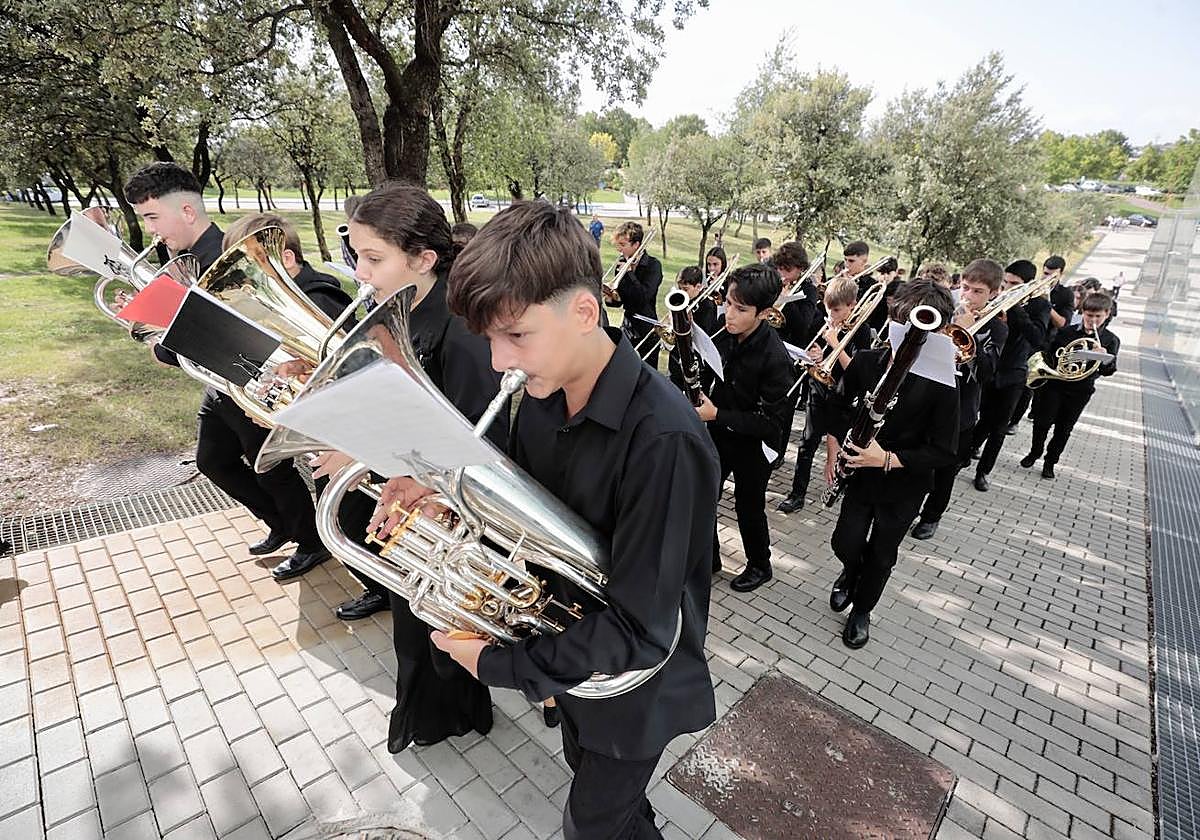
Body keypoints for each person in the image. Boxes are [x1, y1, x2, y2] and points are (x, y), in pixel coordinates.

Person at [439, 200, 721, 840]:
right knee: (613, 809)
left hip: (633, 689)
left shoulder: (664, 441)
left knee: (591, 825)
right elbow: (518, 514)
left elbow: (640, 630)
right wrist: (448, 503)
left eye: (516, 336)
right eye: (490, 340)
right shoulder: (544, 394)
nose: (498, 362)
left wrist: (500, 666)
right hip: (570, 660)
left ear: (586, 313)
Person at [344, 183, 508, 751]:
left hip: (446, 512)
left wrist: (380, 460)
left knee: (434, 626)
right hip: (412, 497)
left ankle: (453, 715)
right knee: (412, 621)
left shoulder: (461, 333)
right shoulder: (396, 313)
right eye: (357, 255)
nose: (360, 272)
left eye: (374, 258)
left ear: (423, 259)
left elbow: (480, 443)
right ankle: (431, 714)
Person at [123, 164, 334, 578]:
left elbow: (225, 337)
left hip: (250, 379)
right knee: (212, 460)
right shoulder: (180, 257)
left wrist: (164, 343)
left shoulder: (227, 254)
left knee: (270, 468)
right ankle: (284, 524)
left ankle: (311, 540)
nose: (150, 230)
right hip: (221, 385)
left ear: (186, 211)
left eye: (152, 217)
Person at [825, 280, 959, 648]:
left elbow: (945, 451)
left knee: (882, 554)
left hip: (904, 485)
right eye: (903, 322)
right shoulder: (868, 362)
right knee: (845, 541)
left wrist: (886, 459)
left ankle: (862, 610)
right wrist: (835, 450)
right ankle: (851, 572)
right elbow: (836, 407)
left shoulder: (945, 385)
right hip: (859, 477)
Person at [700, 264, 796, 592]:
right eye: (728, 303)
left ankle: (760, 565)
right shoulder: (723, 329)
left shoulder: (775, 358)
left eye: (741, 309)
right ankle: (709, 556)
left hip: (755, 444)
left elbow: (770, 423)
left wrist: (717, 414)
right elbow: (709, 369)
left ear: (764, 313)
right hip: (719, 428)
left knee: (748, 505)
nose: (729, 314)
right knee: (704, 494)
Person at [911, 260, 1007, 539]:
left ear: (993, 293)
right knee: (917, 460)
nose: (968, 296)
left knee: (945, 469)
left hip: (961, 407)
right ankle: (907, 508)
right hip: (928, 399)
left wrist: (970, 335)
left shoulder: (997, 328)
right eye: (965, 288)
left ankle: (931, 517)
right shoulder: (945, 313)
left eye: (977, 291)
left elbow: (986, 373)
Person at [777, 276, 872, 514]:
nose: (831, 315)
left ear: (852, 305)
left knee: (842, 447)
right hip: (818, 388)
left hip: (844, 397)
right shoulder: (825, 320)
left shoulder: (862, 330)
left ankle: (841, 487)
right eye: (828, 309)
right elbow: (815, 350)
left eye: (837, 310)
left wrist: (836, 343)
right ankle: (797, 494)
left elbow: (857, 372)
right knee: (807, 443)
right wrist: (817, 353)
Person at [1020, 292, 1119, 478]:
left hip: (1081, 390)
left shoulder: (1110, 340)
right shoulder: (1067, 332)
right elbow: (1049, 353)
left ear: (1107, 314)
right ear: (1083, 313)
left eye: (1098, 316)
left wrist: (1104, 358)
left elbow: (1108, 371)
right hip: (1054, 385)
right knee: (1042, 422)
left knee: (1064, 429)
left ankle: (1050, 462)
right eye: (1089, 315)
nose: (1093, 320)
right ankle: (1035, 451)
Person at [971, 260, 1050, 491]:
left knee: (999, 428)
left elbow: (1038, 338)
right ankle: (964, 456)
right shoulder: (996, 299)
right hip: (989, 367)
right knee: (980, 420)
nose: (1007, 287)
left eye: (1014, 284)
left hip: (1013, 373)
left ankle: (983, 472)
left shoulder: (1039, 306)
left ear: (1027, 285)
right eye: (1005, 282)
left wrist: (1015, 310)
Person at [1009, 256, 1068, 433]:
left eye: (1052, 275)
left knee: (1028, 385)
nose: (1047, 277)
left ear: (1061, 274)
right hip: (1023, 340)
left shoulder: (1065, 294)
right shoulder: (1032, 288)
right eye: (1045, 273)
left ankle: (1014, 421)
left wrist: (1047, 304)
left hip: (1044, 344)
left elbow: (1063, 323)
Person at [603, 221, 663, 369]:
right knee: (623, 369)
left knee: (646, 373)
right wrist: (611, 298)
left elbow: (643, 297)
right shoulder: (621, 263)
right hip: (627, 326)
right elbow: (621, 301)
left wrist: (630, 273)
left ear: (636, 245)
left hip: (646, 329)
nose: (619, 249)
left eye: (623, 245)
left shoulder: (653, 265)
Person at [773, 241, 822, 350]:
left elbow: (803, 326)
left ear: (800, 268)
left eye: (788, 270)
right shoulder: (773, 282)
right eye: (780, 268)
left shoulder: (809, 290)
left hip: (788, 345)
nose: (782, 274)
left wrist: (787, 300)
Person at [675, 265, 719, 335]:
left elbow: (703, 334)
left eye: (685, 289)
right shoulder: (685, 300)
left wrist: (689, 322)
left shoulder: (707, 306)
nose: (682, 292)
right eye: (680, 288)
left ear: (698, 287)